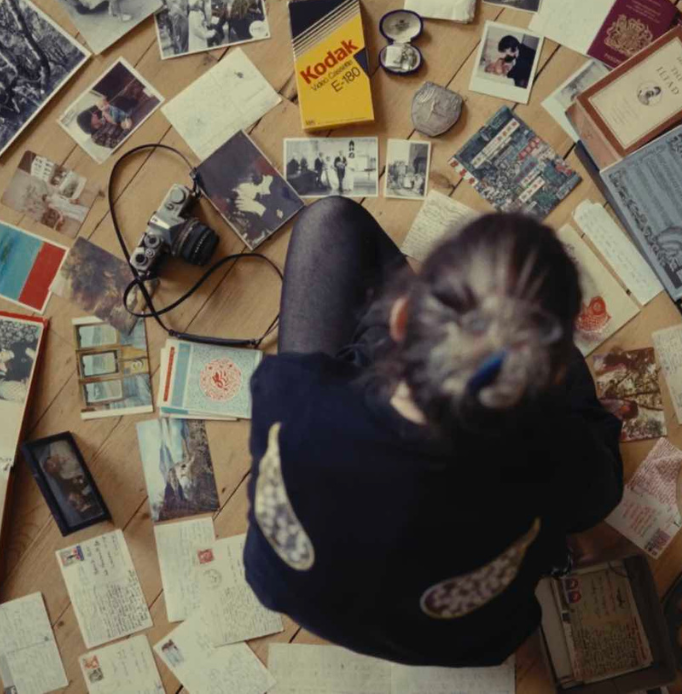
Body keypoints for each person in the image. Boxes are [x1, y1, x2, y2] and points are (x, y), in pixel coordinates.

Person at [243, 198, 623, 666]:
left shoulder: (289, 394)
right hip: (459, 642)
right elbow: (599, 497)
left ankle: (467, 333)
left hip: (286, 589)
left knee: (330, 220)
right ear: (548, 381)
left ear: (400, 319)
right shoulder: (550, 463)